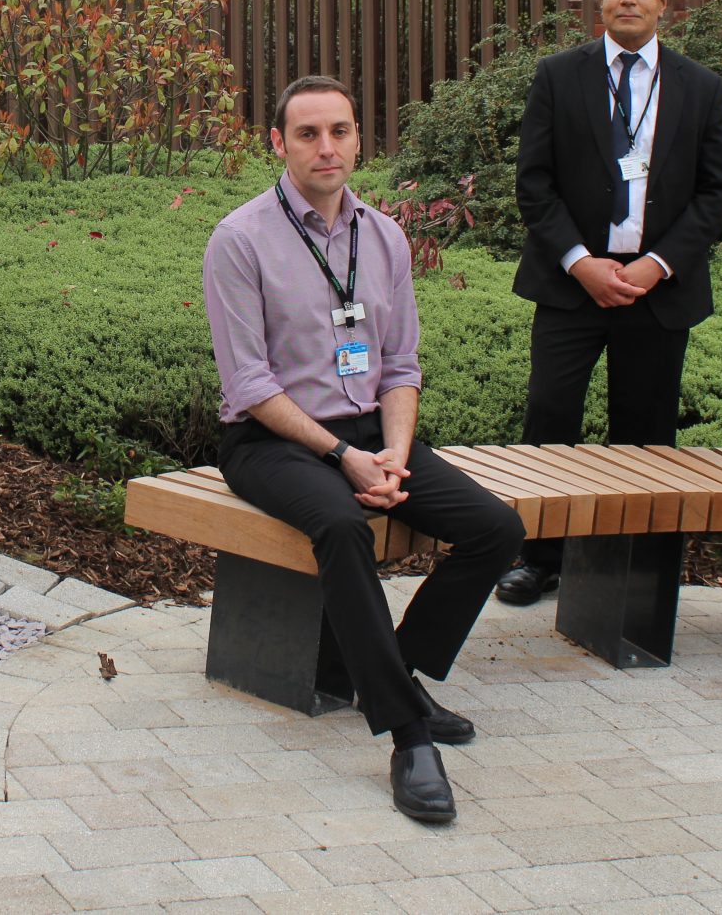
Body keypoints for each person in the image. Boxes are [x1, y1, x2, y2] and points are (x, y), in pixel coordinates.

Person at [203, 76, 524, 824]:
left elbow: (400, 367)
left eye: (340, 131)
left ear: (358, 139)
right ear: (278, 143)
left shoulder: (383, 236)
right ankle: (408, 734)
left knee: (497, 528)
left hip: (376, 435)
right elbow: (250, 384)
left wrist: (396, 454)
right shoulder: (240, 238)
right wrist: (345, 460)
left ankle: (391, 673)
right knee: (344, 524)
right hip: (271, 439)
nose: (327, 147)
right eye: (308, 133)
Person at [501, 0, 722, 605]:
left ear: (665, 0)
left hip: (657, 295)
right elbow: (534, 184)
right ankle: (539, 557)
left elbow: (718, 191)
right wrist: (582, 263)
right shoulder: (558, 76)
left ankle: (629, 563)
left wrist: (657, 265)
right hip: (570, 288)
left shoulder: (700, 86)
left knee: (645, 429)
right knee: (550, 419)